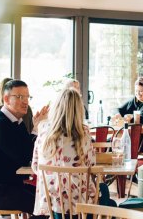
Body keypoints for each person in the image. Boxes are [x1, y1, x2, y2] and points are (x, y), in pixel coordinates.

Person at [0, 79, 47, 218]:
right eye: (20, 97)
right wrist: (35, 129)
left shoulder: (16, 121)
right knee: (45, 204)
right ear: (6, 99)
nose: (25, 101)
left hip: (10, 186)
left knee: (49, 196)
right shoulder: (0, 124)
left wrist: (35, 127)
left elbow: (28, 151)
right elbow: (23, 157)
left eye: (27, 97)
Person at [32, 87, 96, 218]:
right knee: (105, 195)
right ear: (79, 110)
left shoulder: (44, 132)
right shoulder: (84, 133)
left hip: (53, 203)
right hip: (80, 204)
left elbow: (35, 166)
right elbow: (92, 166)